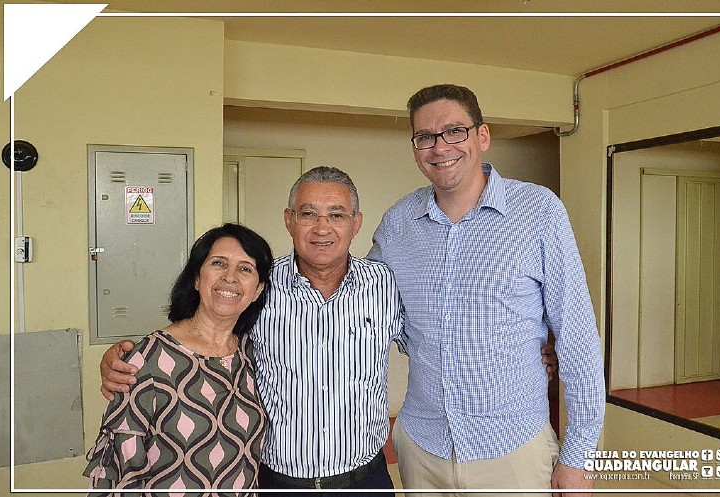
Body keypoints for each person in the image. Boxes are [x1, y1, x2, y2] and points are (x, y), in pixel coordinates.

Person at [99, 167, 559, 494]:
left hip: (366, 481)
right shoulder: (258, 287)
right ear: (289, 220)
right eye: (308, 214)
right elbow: (203, 335)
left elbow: (438, 337)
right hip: (277, 482)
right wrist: (128, 358)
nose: (322, 228)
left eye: (337, 215)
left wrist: (528, 349)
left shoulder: (383, 284)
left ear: (356, 224)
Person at [367, 84, 606, 497]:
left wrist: (579, 455)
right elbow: (368, 306)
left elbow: (577, 335)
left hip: (514, 450)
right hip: (423, 448)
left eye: (454, 131)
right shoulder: (398, 222)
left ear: (482, 136)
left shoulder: (538, 211)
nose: (440, 147)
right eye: (425, 136)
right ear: (415, 148)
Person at [84, 223, 272, 495]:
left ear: (257, 290)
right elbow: (118, 471)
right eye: (218, 263)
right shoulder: (148, 360)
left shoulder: (251, 353)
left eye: (245, 269)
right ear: (196, 278)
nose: (230, 277)